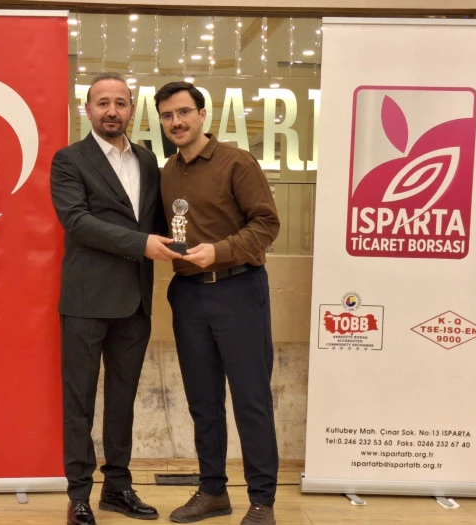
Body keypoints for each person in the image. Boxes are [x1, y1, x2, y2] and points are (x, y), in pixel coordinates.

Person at [50, 72, 179, 525]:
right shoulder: (69, 159)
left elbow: (162, 219)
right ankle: (79, 495)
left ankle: (118, 488)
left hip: (135, 304)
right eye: (102, 103)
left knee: (122, 401)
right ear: (87, 109)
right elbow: (76, 221)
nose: (112, 111)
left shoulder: (147, 160)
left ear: (131, 109)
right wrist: (141, 244)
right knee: (79, 402)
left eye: (120, 103)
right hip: (86, 301)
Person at [154, 82, 280, 525]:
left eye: (184, 112)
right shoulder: (166, 173)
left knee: (250, 400)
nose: (177, 122)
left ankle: (262, 502)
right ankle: (212, 493)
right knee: (203, 402)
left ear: (203, 115)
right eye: (168, 115)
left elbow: (267, 224)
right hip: (188, 295)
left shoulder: (236, 162)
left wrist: (220, 251)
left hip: (238, 290)